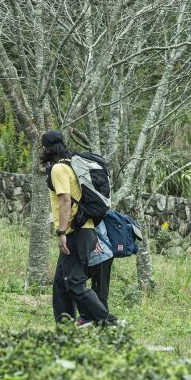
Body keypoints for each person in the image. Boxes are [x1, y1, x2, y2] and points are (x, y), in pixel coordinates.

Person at [40, 130, 115, 327]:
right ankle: (64, 326)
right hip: (85, 229)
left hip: (75, 231)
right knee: (60, 283)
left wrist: (62, 233)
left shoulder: (58, 169)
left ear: (46, 149)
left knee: (74, 283)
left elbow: (65, 201)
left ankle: (107, 320)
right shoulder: (73, 164)